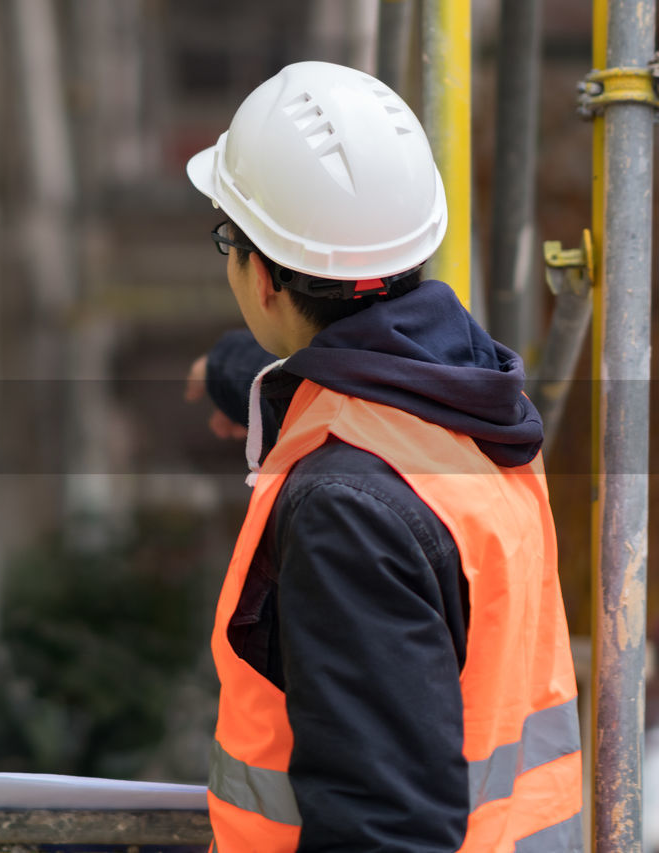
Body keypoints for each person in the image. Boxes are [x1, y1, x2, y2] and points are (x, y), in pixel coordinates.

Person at [183, 62, 583, 852]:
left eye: (227, 238)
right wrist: (244, 378)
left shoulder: (348, 511)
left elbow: (387, 831)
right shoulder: (472, 396)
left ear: (260, 277)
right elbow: (364, 364)